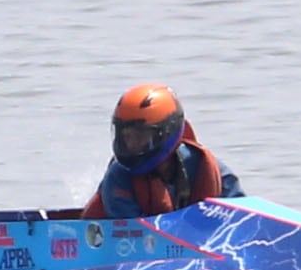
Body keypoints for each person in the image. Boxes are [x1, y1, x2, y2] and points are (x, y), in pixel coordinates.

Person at [81, 82, 245, 219]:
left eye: (140, 135)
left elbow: (244, 217)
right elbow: (133, 235)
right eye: (126, 137)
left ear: (167, 132)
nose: (131, 145)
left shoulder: (207, 167)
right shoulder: (118, 177)